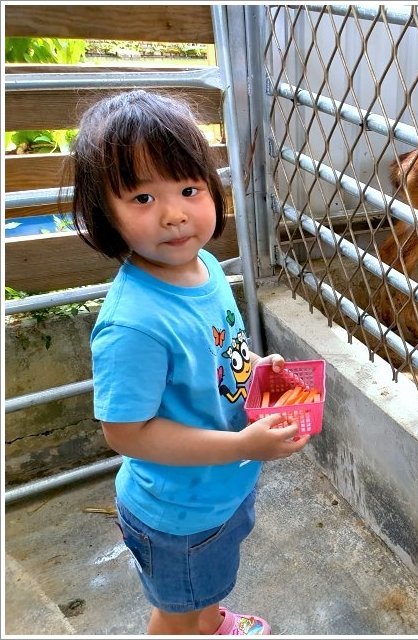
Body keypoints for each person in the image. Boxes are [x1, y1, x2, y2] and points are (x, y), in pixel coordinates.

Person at [69, 90, 310, 635]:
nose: (176, 214)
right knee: (173, 610)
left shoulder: (201, 265)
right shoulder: (133, 323)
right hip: (177, 514)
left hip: (219, 488)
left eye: (188, 188)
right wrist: (244, 446)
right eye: (142, 198)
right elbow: (126, 432)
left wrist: (250, 365)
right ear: (103, 212)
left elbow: (218, 346)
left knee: (207, 582)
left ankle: (211, 620)